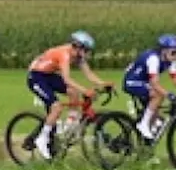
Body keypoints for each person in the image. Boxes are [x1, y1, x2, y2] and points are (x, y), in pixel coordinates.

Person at [26, 30, 113, 160]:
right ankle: (42, 139)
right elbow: (67, 79)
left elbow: (89, 74)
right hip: (36, 77)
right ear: (77, 47)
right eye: (86, 50)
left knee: (73, 92)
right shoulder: (64, 55)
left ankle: (69, 124)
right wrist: (85, 91)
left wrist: (103, 83)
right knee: (56, 107)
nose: (88, 54)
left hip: (48, 75)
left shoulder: (78, 56)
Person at [122, 34, 176, 141]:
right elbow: (155, 84)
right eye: (173, 52)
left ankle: (145, 145)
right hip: (132, 81)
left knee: (158, 118)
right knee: (159, 95)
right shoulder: (153, 59)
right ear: (163, 51)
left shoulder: (171, 60)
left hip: (144, 82)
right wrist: (168, 95)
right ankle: (143, 125)